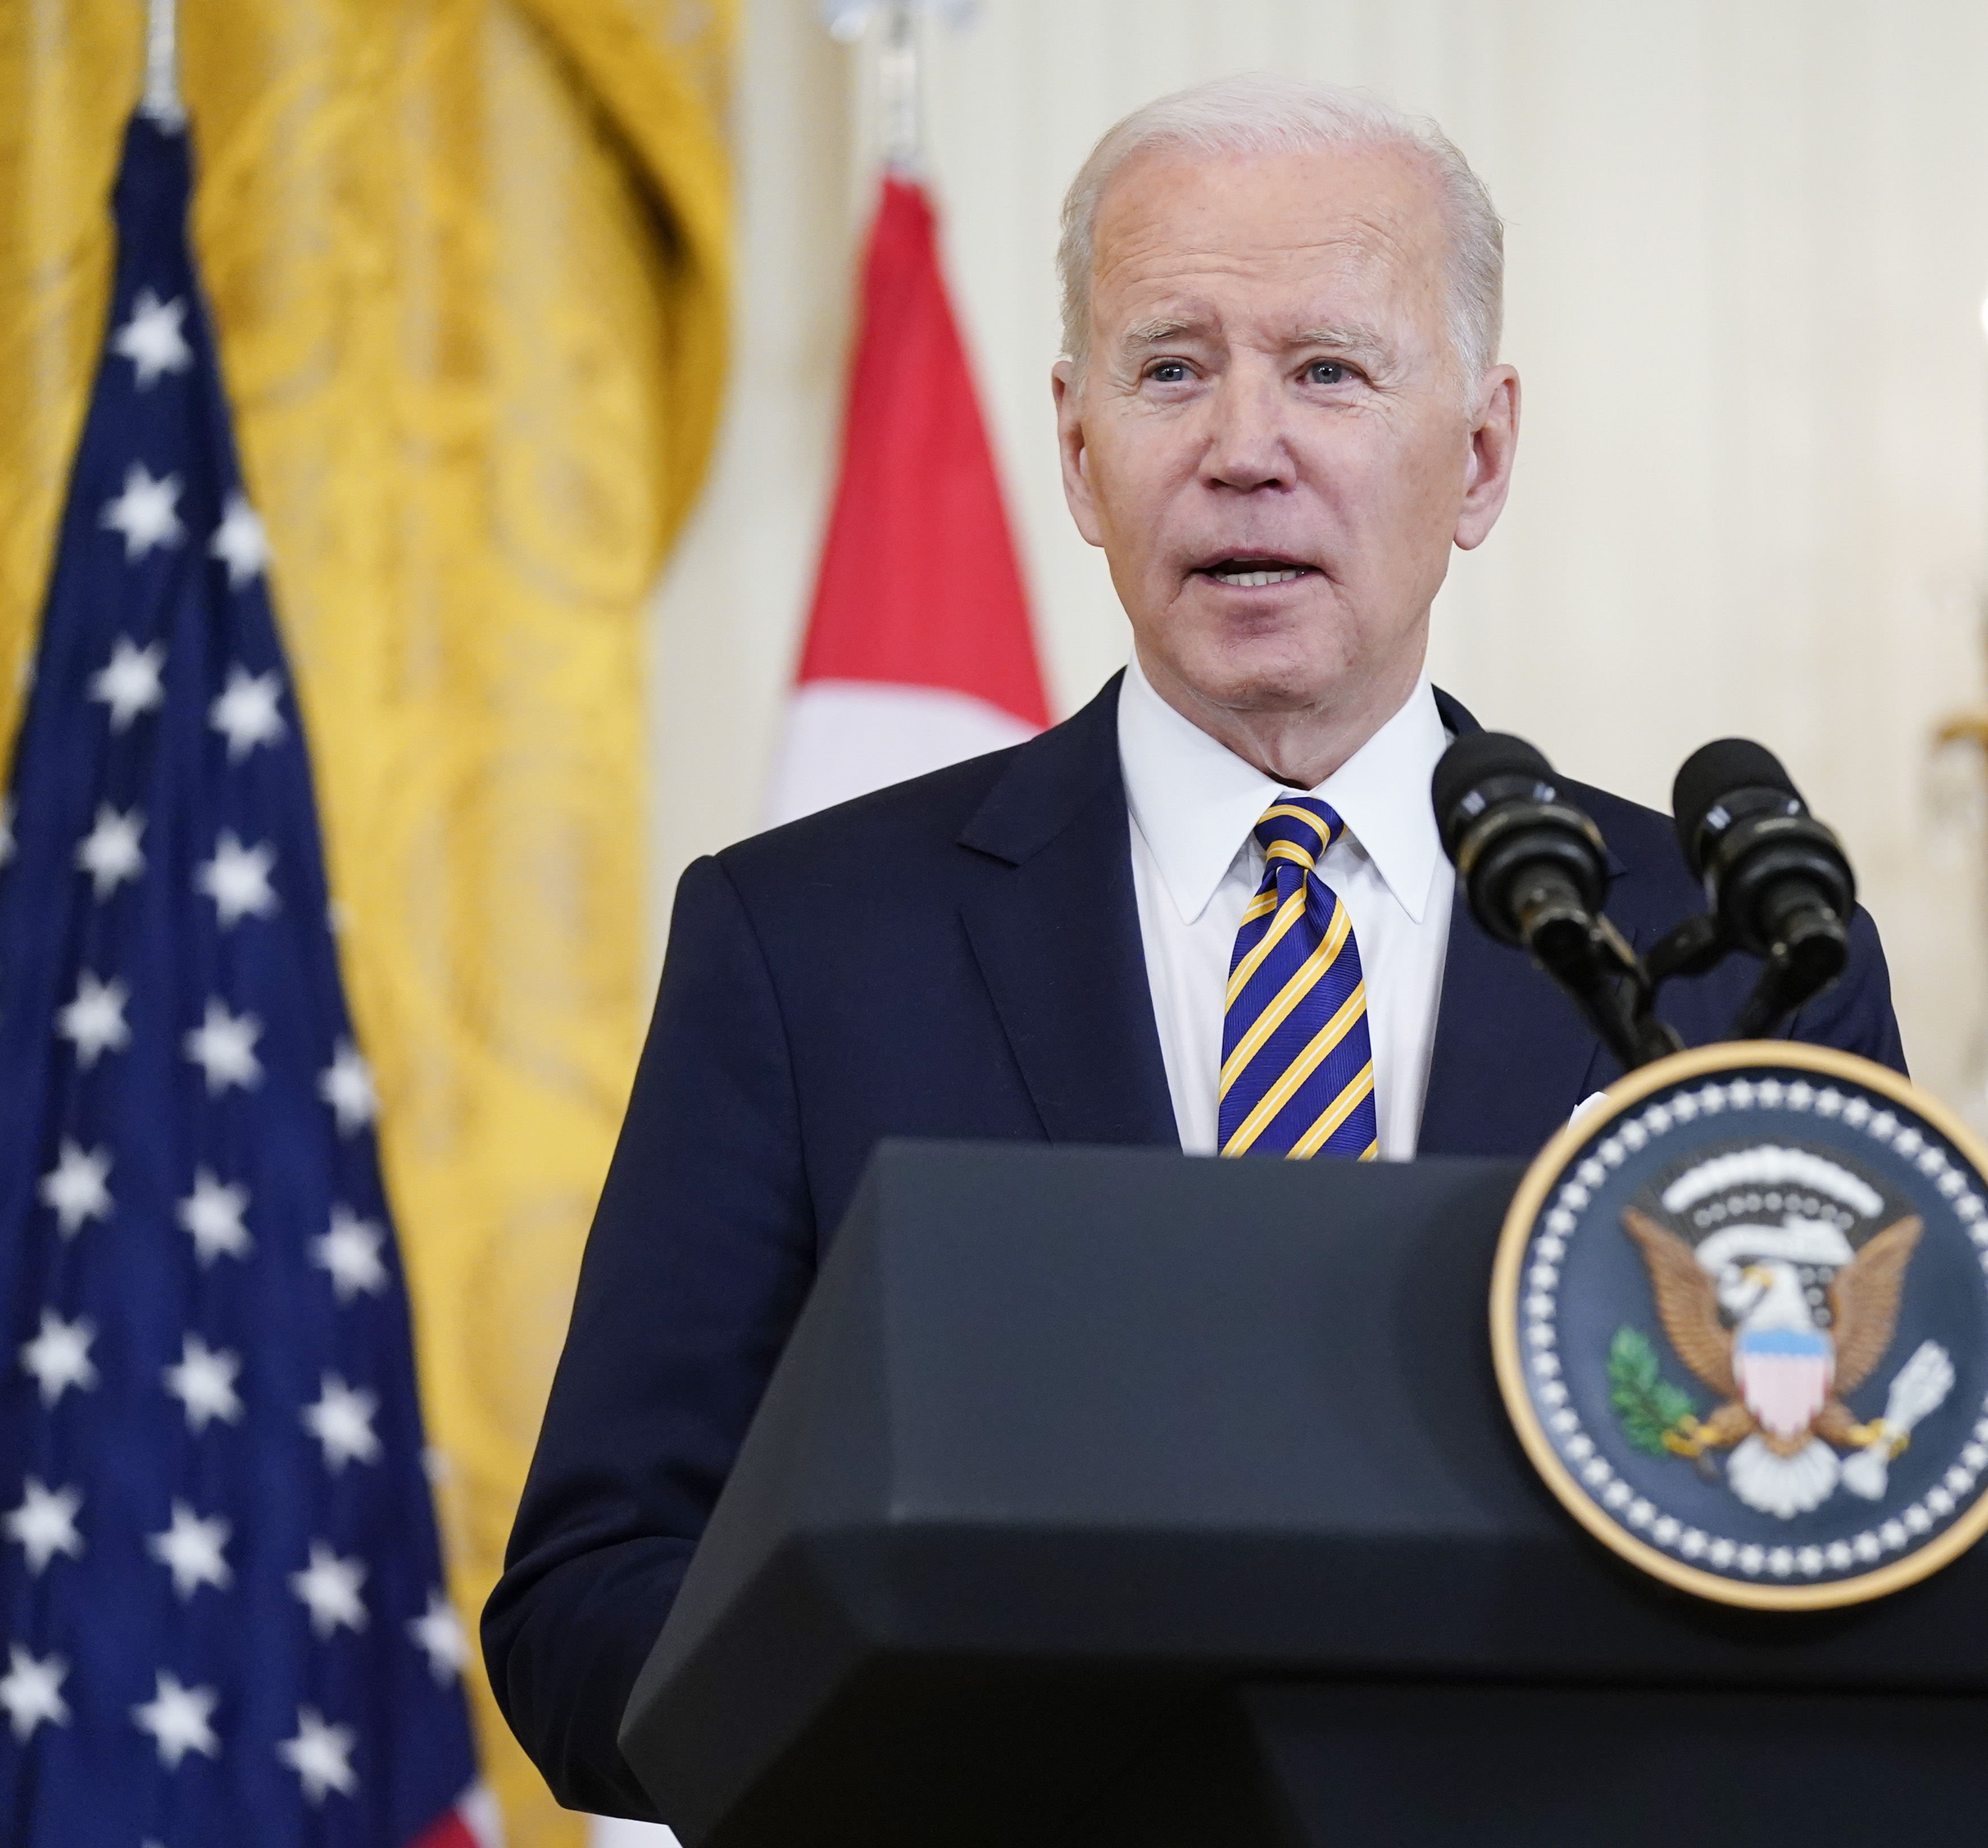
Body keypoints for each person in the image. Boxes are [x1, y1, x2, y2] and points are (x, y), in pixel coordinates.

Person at [483, 72, 1903, 1818]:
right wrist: (973, 1740)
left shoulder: (1734, 958)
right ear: (1080, 451)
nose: (1244, 445)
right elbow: (590, 1606)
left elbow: (1867, 1532)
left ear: (1478, 456)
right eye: (1170, 369)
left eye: (1328, 370)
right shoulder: (805, 947)